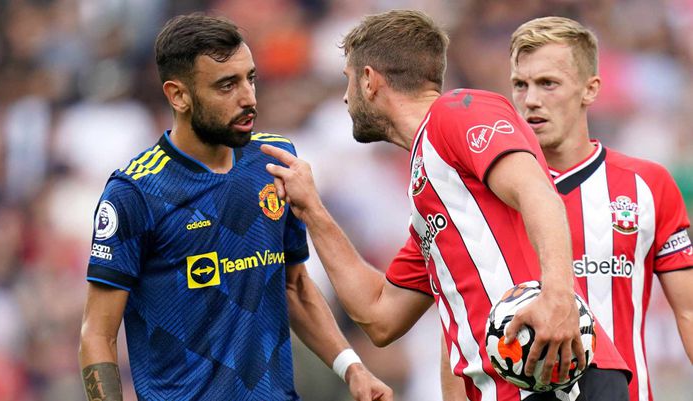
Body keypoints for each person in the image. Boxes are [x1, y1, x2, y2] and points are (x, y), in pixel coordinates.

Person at [262, 9, 630, 401]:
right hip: (510, 387)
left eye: (348, 80)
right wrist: (312, 210)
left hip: (556, 376)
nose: (345, 96)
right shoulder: (432, 196)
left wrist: (558, 300)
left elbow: (538, 193)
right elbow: (379, 315)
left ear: (369, 80)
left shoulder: (457, 111)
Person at [78, 13, 393, 401]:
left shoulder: (274, 161)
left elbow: (293, 285)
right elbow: (97, 334)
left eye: (251, 79)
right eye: (227, 85)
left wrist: (352, 369)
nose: (248, 98)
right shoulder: (135, 192)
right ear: (178, 95)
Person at [507, 16, 693, 401]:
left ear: (590, 90)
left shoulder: (647, 185)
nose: (531, 100)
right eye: (520, 85)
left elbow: (689, 312)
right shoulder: (485, 191)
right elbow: (453, 327)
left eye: (548, 84)